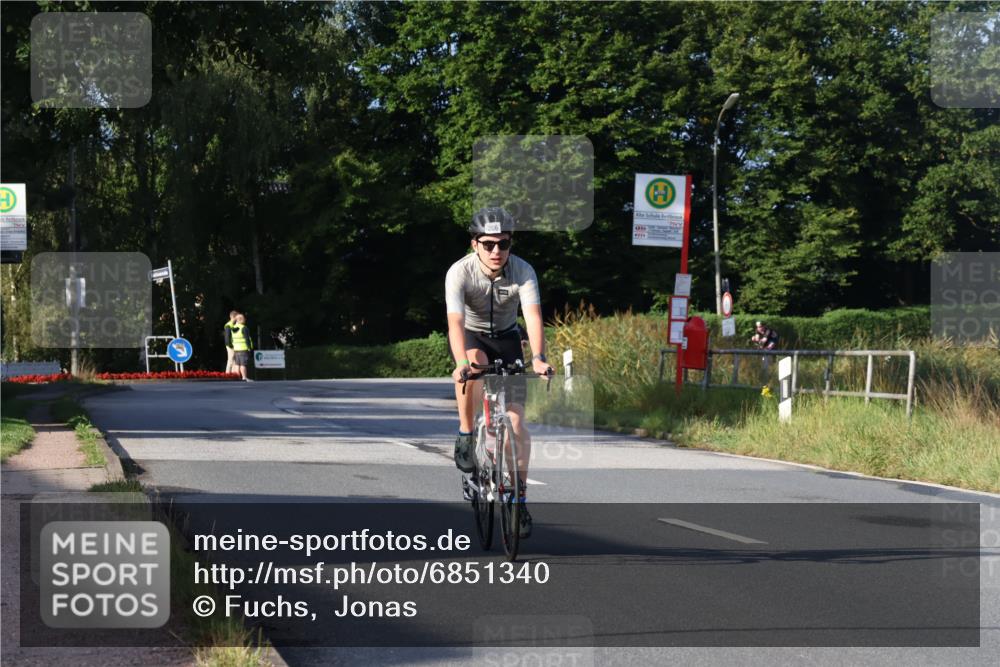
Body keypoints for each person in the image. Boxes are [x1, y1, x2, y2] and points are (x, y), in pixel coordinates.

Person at [445, 206, 554, 539]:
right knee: (473, 365)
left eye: (503, 244)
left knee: (517, 423)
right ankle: (466, 434)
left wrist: (538, 357)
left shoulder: (522, 270)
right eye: (489, 244)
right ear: (474, 243)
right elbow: (455, 322)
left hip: (508, 338)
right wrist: (461, 364)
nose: (496, 252)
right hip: (473, 336)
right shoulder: (459, 272)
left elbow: (533, 317)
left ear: (510, 243)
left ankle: (518, 499)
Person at [227, 313, 254, 381]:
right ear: (241, 320)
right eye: (244, 318)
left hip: (236, 349)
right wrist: (249, 348)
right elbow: (247, 339)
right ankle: (244, 377)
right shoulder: (244, 328)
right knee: (243, 364)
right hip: (243, 349)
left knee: (237, 364)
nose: (245, 319)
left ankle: (237, 377)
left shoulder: (233, 328)